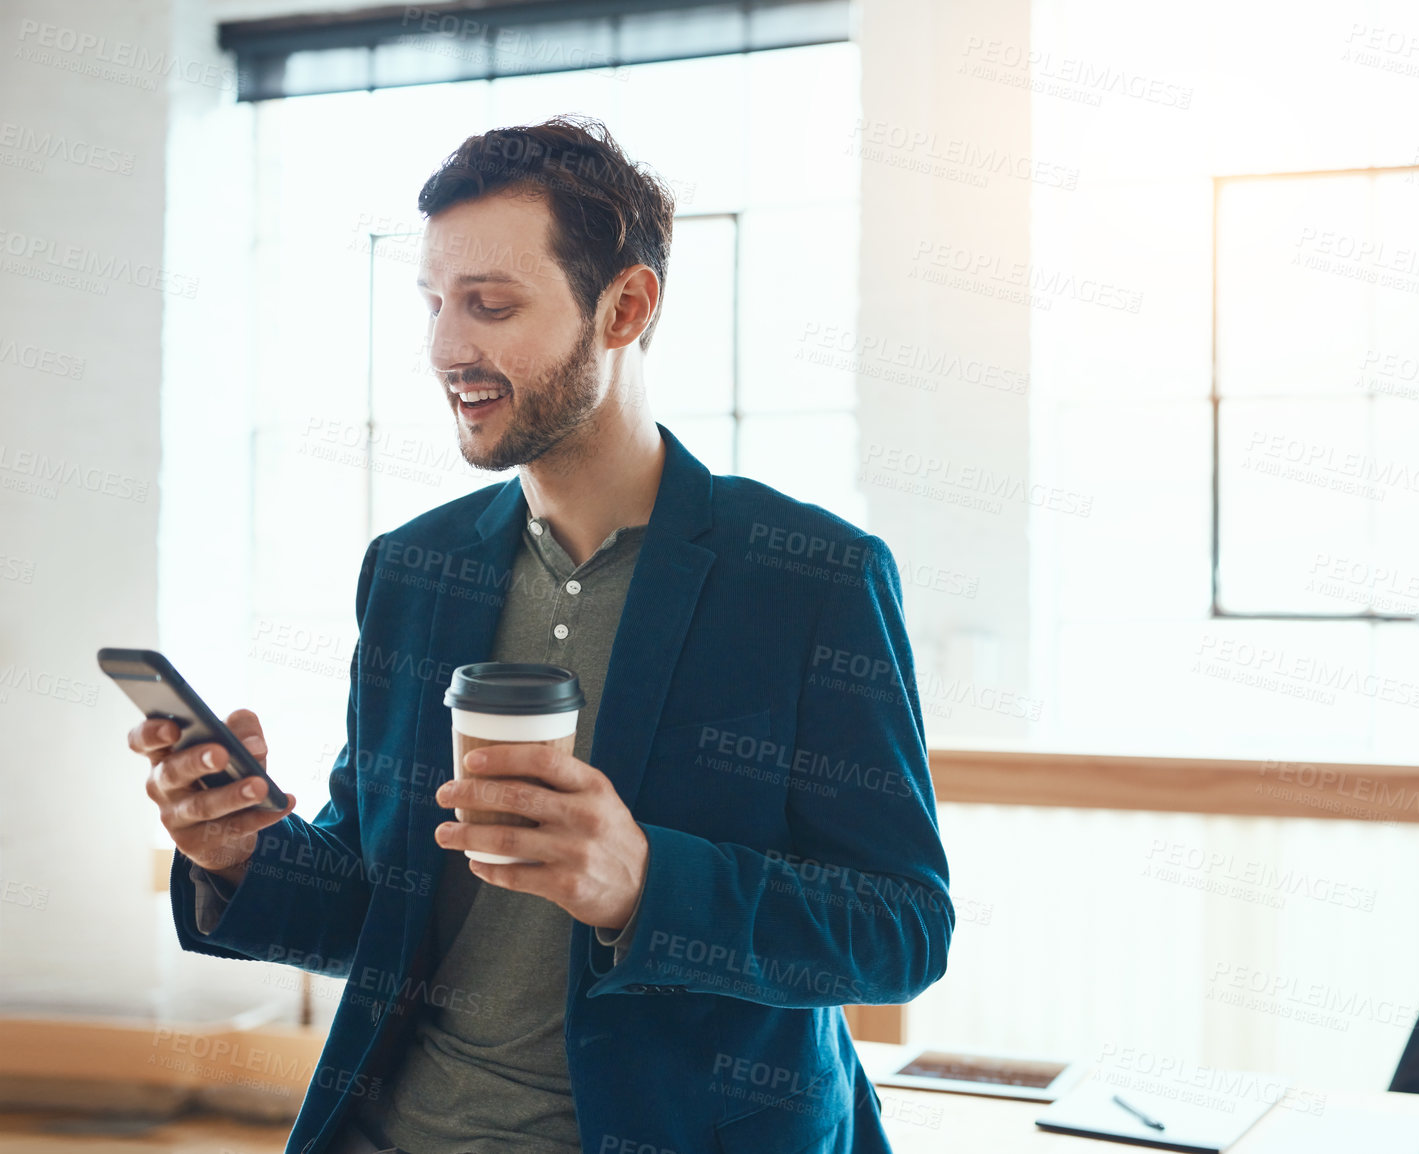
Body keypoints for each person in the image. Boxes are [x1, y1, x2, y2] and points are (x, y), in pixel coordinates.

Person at [128, 115, 952, 1154]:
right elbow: (376, 908)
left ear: (626, 306)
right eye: (433, 303)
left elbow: (901, 928)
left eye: (491, 304)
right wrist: (241, 853)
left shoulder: (809, 575)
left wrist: (644, 879)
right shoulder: (411, 568)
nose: (443, 347)